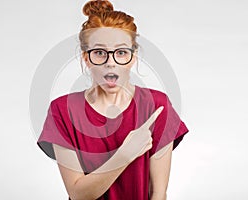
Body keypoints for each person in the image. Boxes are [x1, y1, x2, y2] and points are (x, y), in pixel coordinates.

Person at [37, 0, 189, 199]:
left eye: (121, 52)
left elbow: (159, 193)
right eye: (99, 53)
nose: (111, 62)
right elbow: (78, 194)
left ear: (133, 57)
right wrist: (125, 154)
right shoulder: (62, 110)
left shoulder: (157, 106)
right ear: (86, 58)